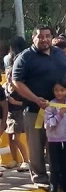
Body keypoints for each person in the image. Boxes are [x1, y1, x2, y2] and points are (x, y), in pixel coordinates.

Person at [11, 25, 66, 188]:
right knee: (36, 145)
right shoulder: (25, 57)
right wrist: (36, 99)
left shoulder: (59, 53)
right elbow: (17, 82)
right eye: (40, 36)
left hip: (59, 109)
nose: (44, 39)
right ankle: (40, 177)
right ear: (33, 38)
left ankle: (60, 175)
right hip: (35, 110)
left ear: (51, 37)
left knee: (59, 143)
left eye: (47, 36)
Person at [5, 36, 30, 172]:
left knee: (16, 137)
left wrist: (16, 102)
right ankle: (15, 160)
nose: (9, 77)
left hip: (18, 113)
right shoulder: (6, 87)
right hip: (10, 114)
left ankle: (26, 160)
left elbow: (25, 102)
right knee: (10, 137)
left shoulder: (19, 88)